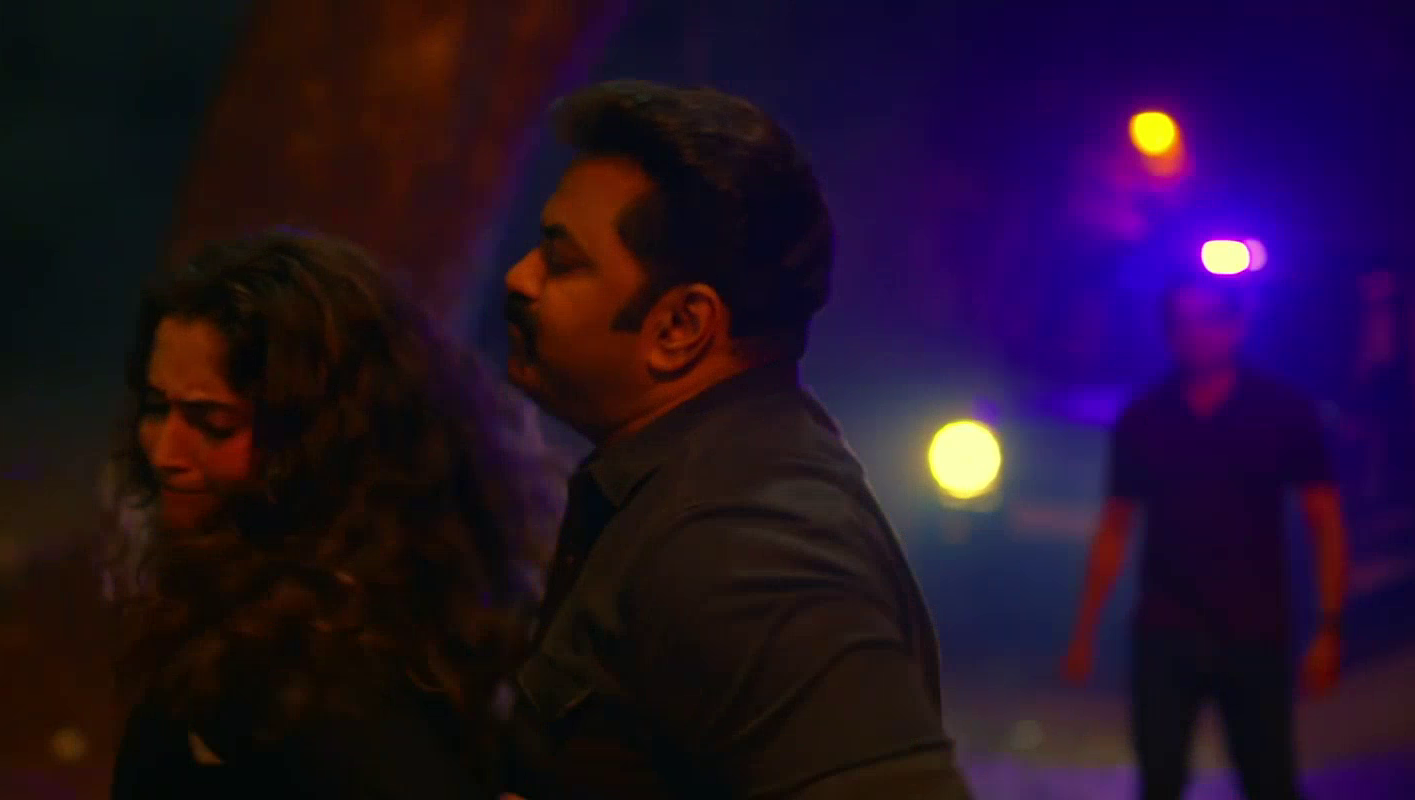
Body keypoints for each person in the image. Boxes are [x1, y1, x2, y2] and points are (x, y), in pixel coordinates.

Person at [497, 80, 969, 799]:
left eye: (561, 261)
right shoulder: (694, 489)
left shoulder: (748, 547)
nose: (519, 279)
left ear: (680, 328)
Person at [102, 230, 556, 799]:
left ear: (320, 440)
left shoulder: (332, 671)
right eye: (155, 408)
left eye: (212, 423)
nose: (164, 452)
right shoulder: (248, 606)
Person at [1062, 275, 1349, 800]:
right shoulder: (1147, 416)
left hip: (1254, 630)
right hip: (1166, 628)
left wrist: (1329, 627)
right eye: (1181, 323)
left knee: (1268, 778)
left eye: (1207, 321)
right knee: (1160, 779)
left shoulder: (1282, 410)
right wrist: (1084, 633)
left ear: (1237, 327)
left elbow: (1325, 521)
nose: (1194, 334)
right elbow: (1116, 526)